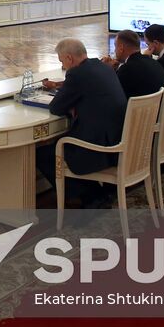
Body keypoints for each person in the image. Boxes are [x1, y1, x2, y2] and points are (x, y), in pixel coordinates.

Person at [35, 38, 128, 205]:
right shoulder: (104, 67)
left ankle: (89, 198)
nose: (63, 66)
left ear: (69, 58)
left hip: (98, 147)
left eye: (62, 61)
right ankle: (96, 193)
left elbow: (56, 108)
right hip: (117, 138)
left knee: (43, 154)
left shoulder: (76, 74)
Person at [106, 29, 164, 99]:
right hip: (158, 107)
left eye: (115, 46)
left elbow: (111, 94)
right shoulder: (154, 62)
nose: (114, 50)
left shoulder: (127, 69)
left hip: (139, 109)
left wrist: (108, 70)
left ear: (121, 48)